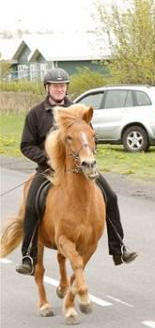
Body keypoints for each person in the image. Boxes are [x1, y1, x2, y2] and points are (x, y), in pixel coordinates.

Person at [16, 68, 138, 275]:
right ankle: (28, 256)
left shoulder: (78, 111)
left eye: (62, 86)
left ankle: (119, 248)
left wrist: (88, 153)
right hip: (48, 170)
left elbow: (90, 136)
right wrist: (47, 159)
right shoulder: (36, 114)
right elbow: (26, 145)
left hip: (81, 168)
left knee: (111, 196)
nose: (59, 89)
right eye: (55, 86)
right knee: (31, 204)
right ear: (47, 88)